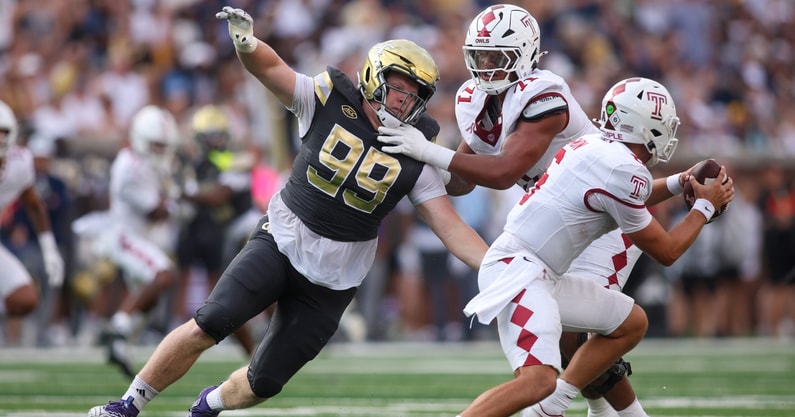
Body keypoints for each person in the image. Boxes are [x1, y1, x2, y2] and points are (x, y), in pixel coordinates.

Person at [88, 6, 488, 417]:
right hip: (283, 237)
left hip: (336, 277)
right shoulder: (327, 98)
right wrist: (247, 43)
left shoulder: (416, 150)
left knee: (264, 383)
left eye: (414, 94)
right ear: (373, 78)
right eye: (398, 87)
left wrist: (493, 265)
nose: (404, 101)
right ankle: (127, 405)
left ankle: (208, 405)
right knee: (209, 323)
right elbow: (272, 69)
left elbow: (449, 225)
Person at [376, 4, 647, 416]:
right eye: (479, 55)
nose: (485, 66)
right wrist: (415, 165)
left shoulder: (545, 95)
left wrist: (429, 149)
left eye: (496, 56)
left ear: (524, 54)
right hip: (559, 222)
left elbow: (504, 172)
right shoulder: (478, 100)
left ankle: (562, 405)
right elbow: (465, 180)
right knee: (570, 336)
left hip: (603, 225)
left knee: (576, 335)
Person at [454, 77, 732, 417]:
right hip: (520, 273)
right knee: (537, 382)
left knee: (630, 322)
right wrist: (705, 208)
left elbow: (630, 195)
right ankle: (551, 404)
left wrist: (679, 182)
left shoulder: (595, 147)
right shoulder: (622, 168)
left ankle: (555, 405)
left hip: (537, 272)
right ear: (648, 127)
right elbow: (667, 251)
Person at [85, 105, 180, 378]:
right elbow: (156, 211)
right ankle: (117, 325)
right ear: (140, 138)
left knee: (147, 299)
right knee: (163, 275)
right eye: (156, 145)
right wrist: (175, 200)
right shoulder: (130, 168)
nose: (161, 151)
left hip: (140, 237)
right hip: (125, 237)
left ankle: (119, 346)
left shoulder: (143, 161)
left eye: (164, 146)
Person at [176, 104, 255, 355]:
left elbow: (218, 198)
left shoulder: (236, 160)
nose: (215, 142)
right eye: (210, 137)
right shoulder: (196, 166)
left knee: (262, 275)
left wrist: (181, 192)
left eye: (218, 135)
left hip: (246, 226)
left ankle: (277, 324)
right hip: (222, 233)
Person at [0, 100, 64, 343]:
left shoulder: (20, 161)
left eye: (3, 132)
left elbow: (34, 203)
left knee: (25, 300)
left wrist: (49, 249)